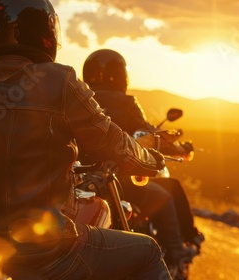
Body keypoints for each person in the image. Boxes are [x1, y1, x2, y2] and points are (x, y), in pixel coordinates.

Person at [0, 1, 172, 279]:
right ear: (44, 30)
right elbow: (112, 144)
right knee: (148, 250)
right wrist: (150, 161)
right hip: (49, 251)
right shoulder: (59, 80)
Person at [82, 49, 205, 252]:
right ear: (122, 74)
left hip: (83, 182)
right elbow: (149, 137)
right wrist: (182, 148)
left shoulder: (81, 100)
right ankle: (176, 251)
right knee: (165, 195)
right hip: (119, 181)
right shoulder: (126, 103)